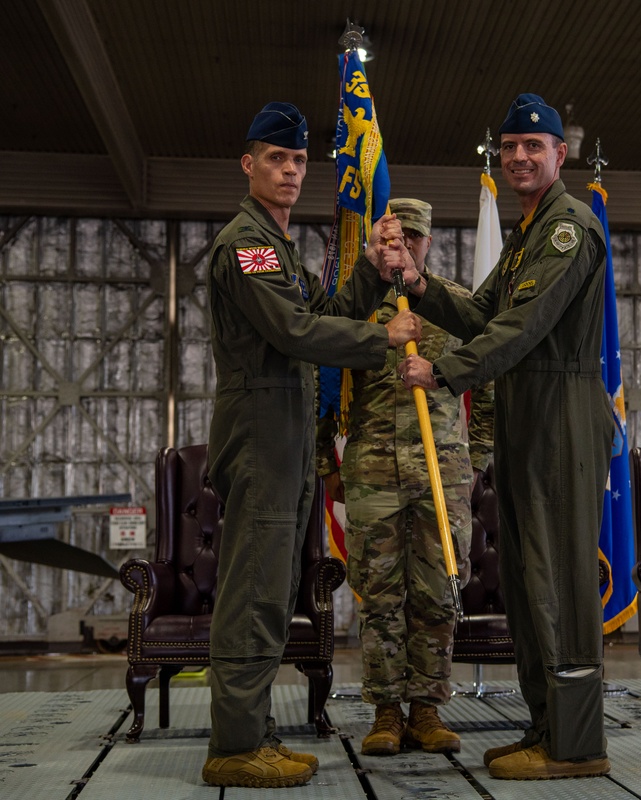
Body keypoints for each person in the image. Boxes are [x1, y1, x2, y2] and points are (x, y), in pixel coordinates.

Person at [201, 101, 422, 789]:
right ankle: (235, 746)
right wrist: (378, 338)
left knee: (272, 590)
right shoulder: (248, 241)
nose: (292, 170)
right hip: (262, 433)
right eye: (277, 158)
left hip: (288, 434)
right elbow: (294, 332)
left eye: (299, 160)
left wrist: (372, 275)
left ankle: (255, 730)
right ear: (250, 164)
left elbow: (316, 314)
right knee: (253, 592)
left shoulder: (280, 244)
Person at [397, 94, 614, 780]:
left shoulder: (566, 229)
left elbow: (519, 328)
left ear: (561, 153)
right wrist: (417, 284)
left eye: (534, 146)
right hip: (529, 416)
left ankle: (577, 743)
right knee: (529, 584)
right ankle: (547, 727)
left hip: (563, 417)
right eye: (510, 146)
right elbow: (481, 310)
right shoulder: (527, 232)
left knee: (563, 585)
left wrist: (443, 372)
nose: (519, 157)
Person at [316, 198, 494, 756]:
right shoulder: (355, 311)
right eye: (393, 240)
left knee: (438, 593)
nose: (403, 248)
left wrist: (476, 461)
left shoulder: (455, 306)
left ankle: (428, 709)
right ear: (379, 244)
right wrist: (329, 468)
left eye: (412, 238)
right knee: (380, 597)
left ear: (429, 243)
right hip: (371, 477)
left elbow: (488, 385)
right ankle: (386, 712)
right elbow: (320, 387)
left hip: (442, 477)